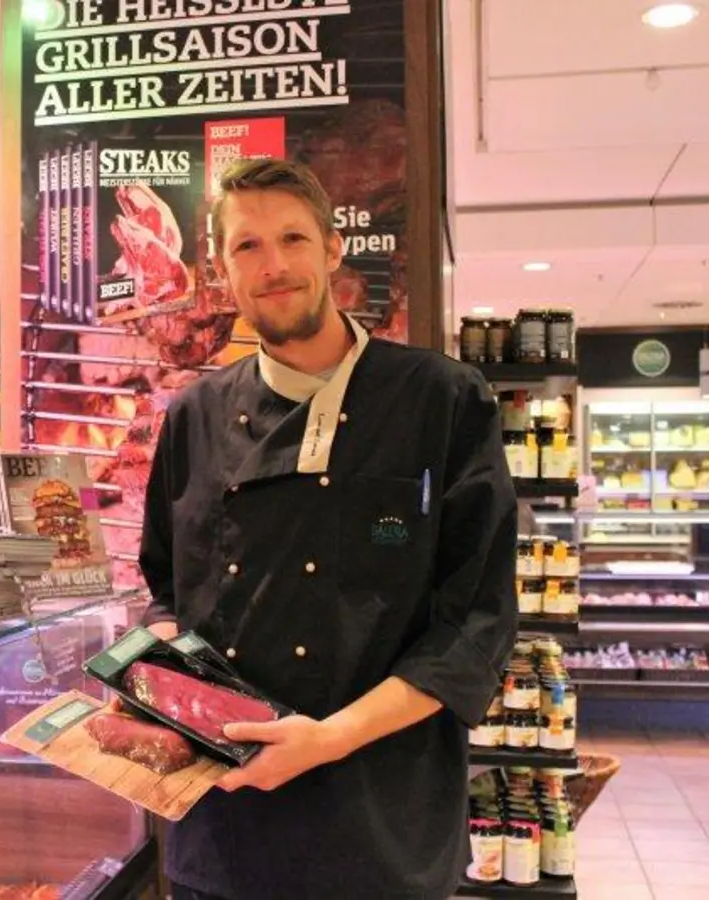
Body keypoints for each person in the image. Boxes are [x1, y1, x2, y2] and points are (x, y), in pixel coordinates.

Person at [138, 157, 519, 900]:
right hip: (223, 832)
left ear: (333, 248)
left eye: (292, 238)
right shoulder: (194, 417)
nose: (273, 266)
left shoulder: (439, 399)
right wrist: (149, 670)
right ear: (221, 271)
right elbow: (165, 593)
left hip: (380, 828)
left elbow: (475, 622)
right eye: (247, 246)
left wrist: (328, 738)